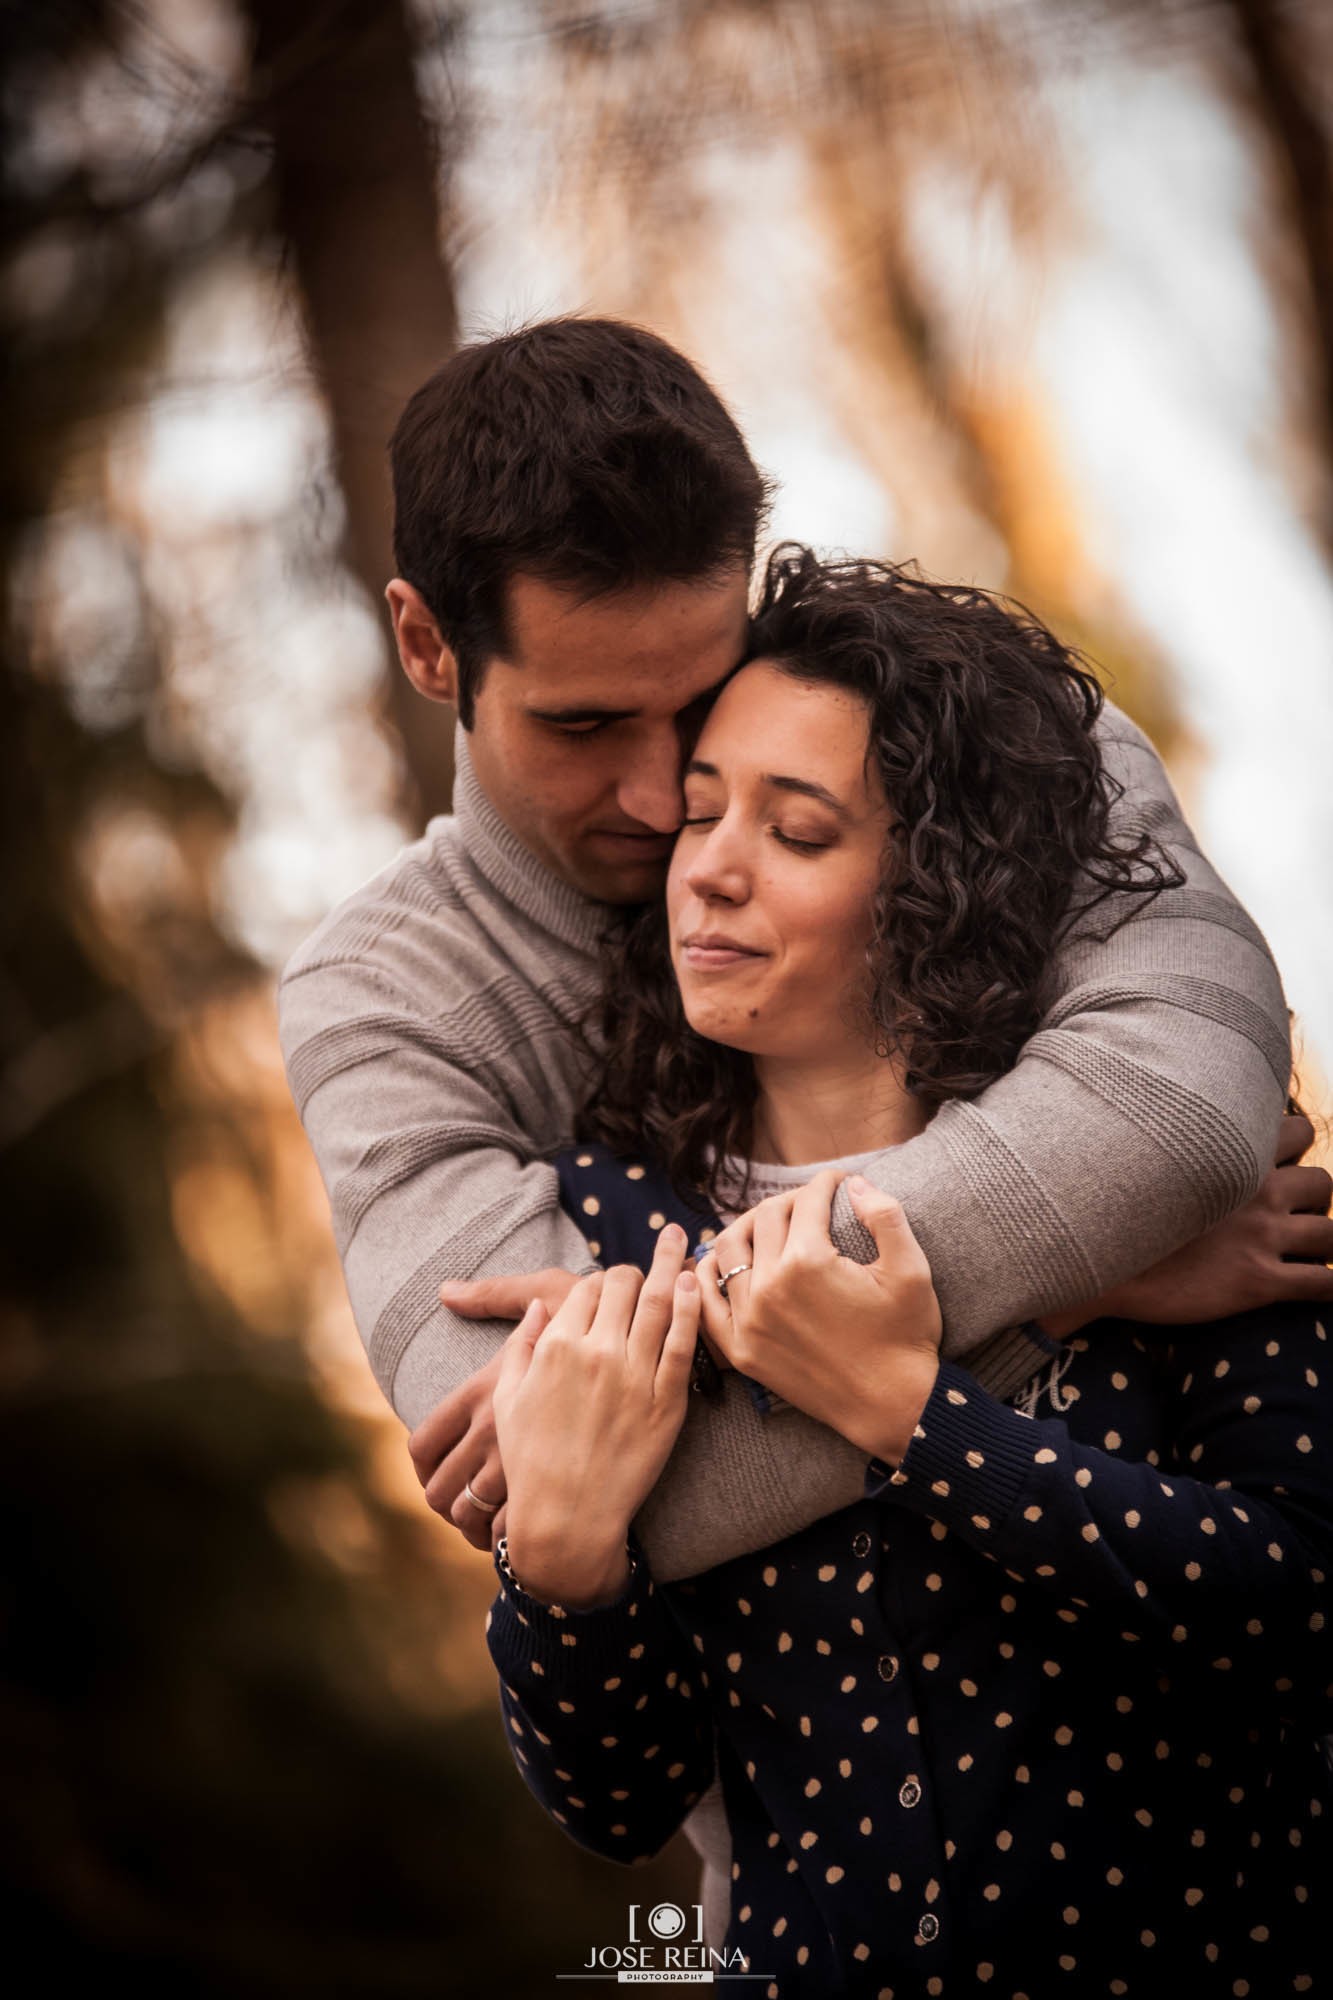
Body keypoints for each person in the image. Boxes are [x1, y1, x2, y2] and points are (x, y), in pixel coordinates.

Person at [277, 315, 1320, 1917]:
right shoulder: (386, 995)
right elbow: (564, 1481)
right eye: (582, 726)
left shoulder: (976, 737)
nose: (659, 806)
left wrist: (670, 1340)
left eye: (693, 704)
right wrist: (1074, 1276)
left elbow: (1178, 1118)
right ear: (427, 645)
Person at [483, 549, 1333, 1997]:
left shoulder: (1145, 1179)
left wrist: (923, 1425)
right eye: (700, 812)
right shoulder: (607, 1218)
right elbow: (619, 1802)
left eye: (797, 831)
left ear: (938, 881)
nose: (710, 869)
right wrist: (557, 1570)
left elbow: (1296, 1605)